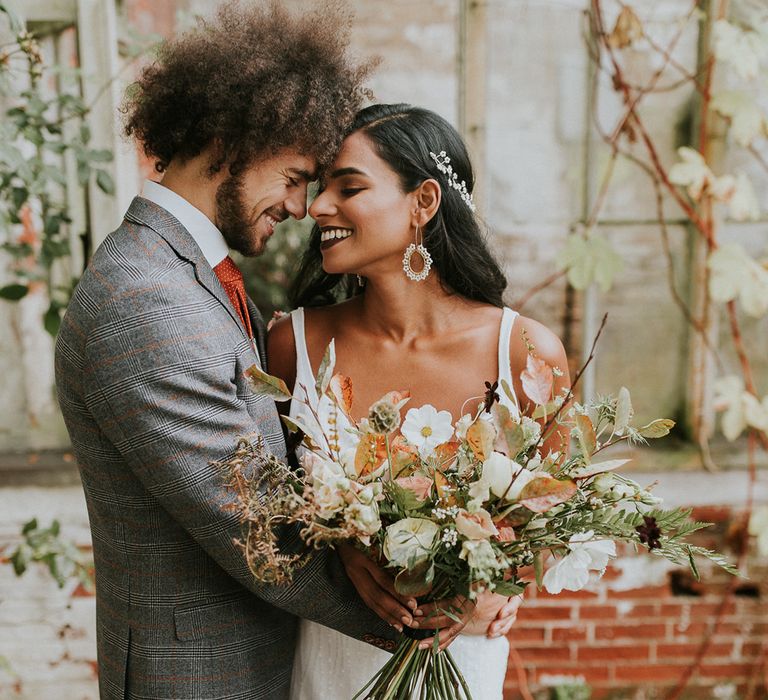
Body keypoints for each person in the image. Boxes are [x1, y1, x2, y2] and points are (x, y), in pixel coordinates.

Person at [54, 5, 415, 698]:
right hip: (197, 677)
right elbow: (260, 529)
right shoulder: (144, 299)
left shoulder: (188, 270)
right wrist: (425, 604)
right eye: (295, 175)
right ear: (232, 137)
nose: (303, 205)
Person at [268, 103, 571, 699]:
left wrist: (498, 584)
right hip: (329, 662)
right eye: (319, 187)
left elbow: (557, 523)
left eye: (348, 187)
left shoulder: (525, 351)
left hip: (460, 662)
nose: (317, 207)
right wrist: (343, 556)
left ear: (423, 203)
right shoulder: (293, 343)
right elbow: (263, 505)